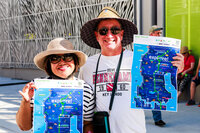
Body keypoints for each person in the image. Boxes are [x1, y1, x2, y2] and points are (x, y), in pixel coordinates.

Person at [79, 7, 184, 133]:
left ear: (121, 34)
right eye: (103, 31)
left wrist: (174, 70)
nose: (109, 35)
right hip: (102, 129)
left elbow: (159, 83)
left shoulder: (139, 59)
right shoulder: (87, 65)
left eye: (115, 30)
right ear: (97, 35)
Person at [16, 38, 94, 133]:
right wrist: (25, 102)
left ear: (76, 62)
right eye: (54, 59)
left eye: (68, 57)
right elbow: (24, 127)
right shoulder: (37, 87)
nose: (62, 62)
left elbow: (87, 124)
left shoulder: (86, 89)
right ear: (48, 65)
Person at [149, 25, 166, 127]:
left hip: (159, 74)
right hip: (147, 73)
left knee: (156, 96)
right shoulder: (144, 44)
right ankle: (157, 119)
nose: (160, 35)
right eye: (158, 33)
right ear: (152, 34)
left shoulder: (162, 45)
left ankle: (157, 119)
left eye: (160, 33)